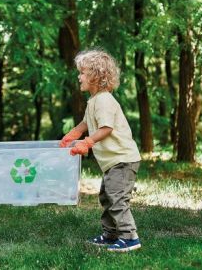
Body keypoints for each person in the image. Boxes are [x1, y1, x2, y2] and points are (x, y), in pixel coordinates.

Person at [59, 49, 142, 252]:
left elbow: (106, 128)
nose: (79, 76)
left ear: (96, 76)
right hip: (113, 161)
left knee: (116, 197)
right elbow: (86, 123)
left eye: (83, 73)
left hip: (122, 159)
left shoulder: (104, 100)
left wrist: (86, 143)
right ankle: (110, 234)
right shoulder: (94, 100)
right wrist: (71, 136)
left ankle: (130, 237)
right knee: (107, 196)